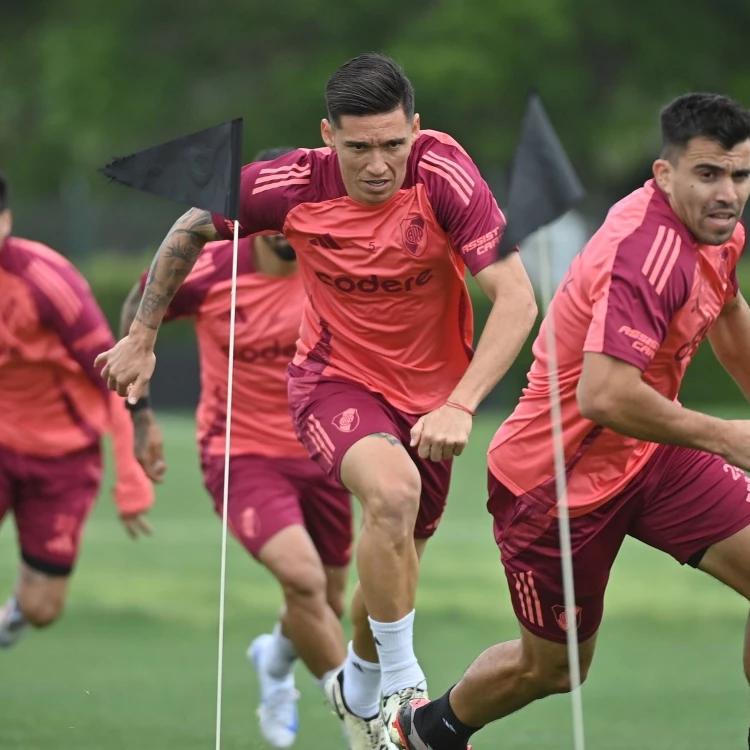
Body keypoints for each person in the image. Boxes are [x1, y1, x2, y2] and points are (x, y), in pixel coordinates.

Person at [96, 52, 537, 750]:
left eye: (394, 144)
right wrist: (143, 337)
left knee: (393, 554)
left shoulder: (446, 174)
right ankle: (401, 687)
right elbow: (190, 225)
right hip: (335, 385)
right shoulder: (292, 182)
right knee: (390, 501)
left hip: (431, 404)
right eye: (358, 147)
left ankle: (356, 681)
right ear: (327, 136)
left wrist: (461, 403)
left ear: (416, 130)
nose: (377, 165)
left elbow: (516, 299)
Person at [393, 92, 750, 750]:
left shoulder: (717, 232)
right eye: (708, 175)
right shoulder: (646, 255)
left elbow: (725, 313)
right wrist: (729, 436)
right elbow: (605, 396)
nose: (727, 193)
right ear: (664, 175)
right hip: (555, 483)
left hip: (654, 455)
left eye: (740, 175)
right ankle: (421, 732)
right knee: (553, 670)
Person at [119, 146, 354, 749]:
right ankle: (365, 716)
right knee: (302, 583)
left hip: (326, 452)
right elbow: (136, 311)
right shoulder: (211, 267)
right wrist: (141, 416)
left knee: (328, 600)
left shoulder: (330, 264)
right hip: (239, 453)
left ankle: (274, 661)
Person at [0, 169, 156, 649]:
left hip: (63, 456)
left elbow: (115, 374)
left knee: (44, 607)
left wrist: (130, 476)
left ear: (5, 220)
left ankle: (13, 620)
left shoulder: (45, 281)